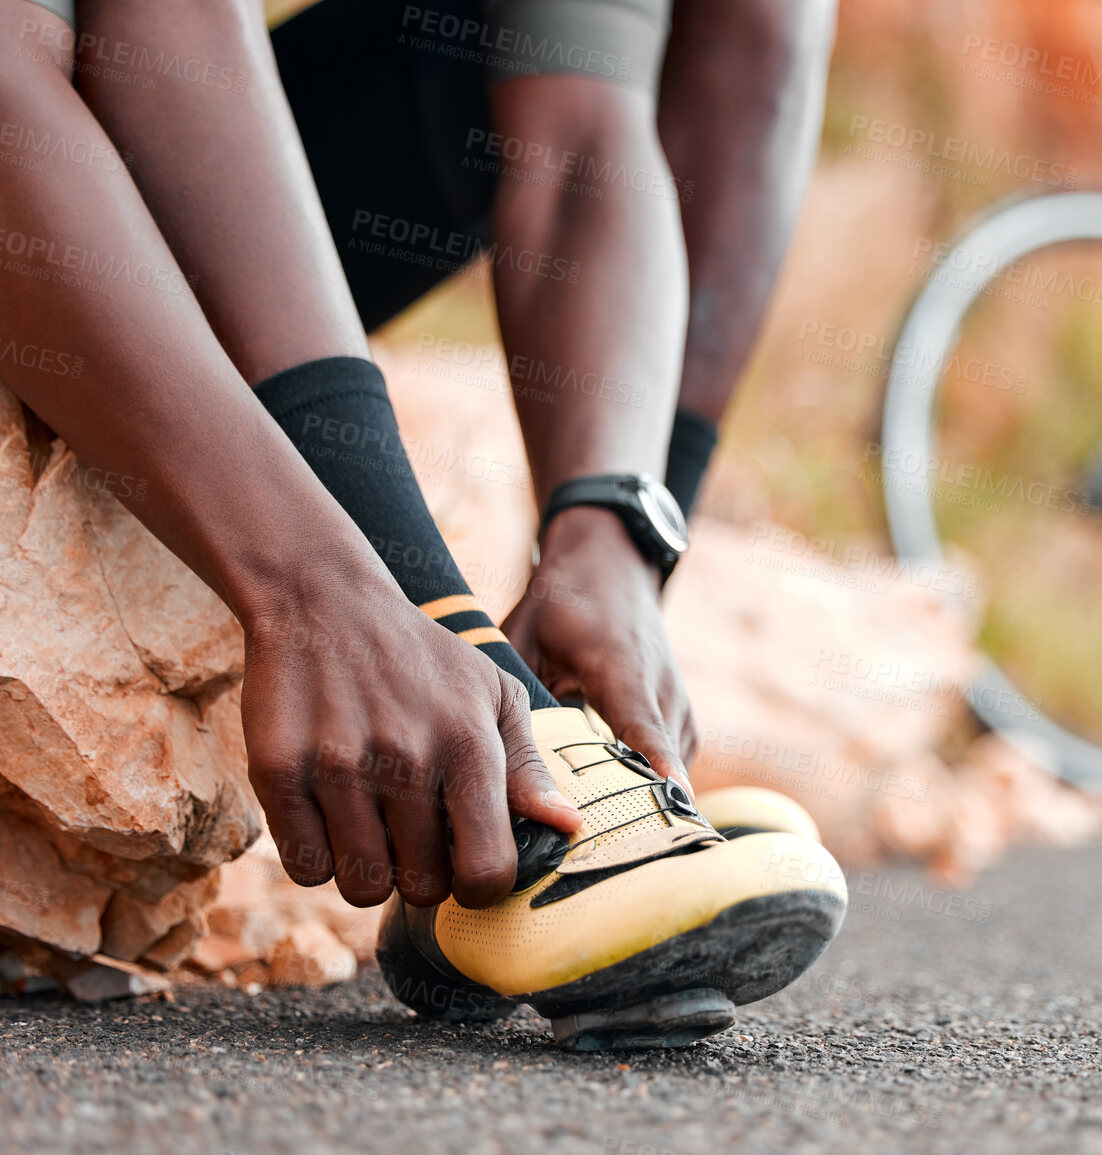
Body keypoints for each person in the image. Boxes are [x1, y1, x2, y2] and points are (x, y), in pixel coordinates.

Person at [0, 0, 844, 1049]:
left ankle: (541, 731)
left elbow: (584, 123)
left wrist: (614, 528)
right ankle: (478, 697)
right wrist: (315, 587)